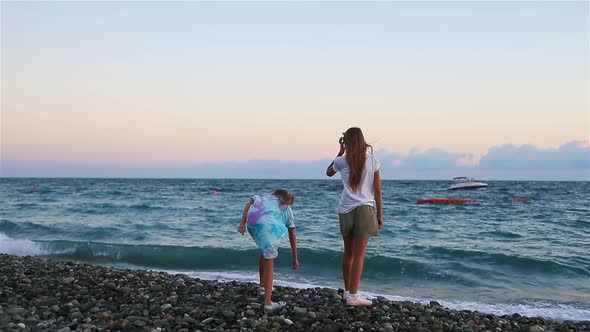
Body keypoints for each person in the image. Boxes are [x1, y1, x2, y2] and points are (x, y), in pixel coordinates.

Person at [326, 127, 383, 307]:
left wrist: (340, 152)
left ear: (347, 142)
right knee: (359, 255)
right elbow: (378, 192)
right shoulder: (373, 161)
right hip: (365, 210)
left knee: (349, 253)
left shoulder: (341, 161)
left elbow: (328, 172)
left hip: (345, 210)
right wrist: (380, 215)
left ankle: (348, 293)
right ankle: (353, 296)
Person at [238, 189, 299, 312]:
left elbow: (248, 203)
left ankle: (262, 286)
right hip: (269, 225)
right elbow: (292, 234)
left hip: (252, 222)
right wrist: (295, 258)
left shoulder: (263, 198)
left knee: (265, 251)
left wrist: (242, 223)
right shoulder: (287, 209)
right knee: (269, 258)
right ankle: (268, 303)